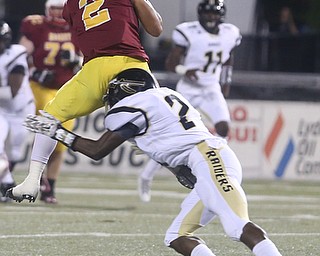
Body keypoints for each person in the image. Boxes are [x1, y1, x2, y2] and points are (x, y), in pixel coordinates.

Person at [16, 68, 282, 256]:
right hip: (206, 160)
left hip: (209, 158)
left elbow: (98, 150)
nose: (109, 99)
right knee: (177, 236)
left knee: (236, 225)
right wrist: (178, 167)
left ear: (127, 90)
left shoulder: (136, 106)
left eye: (112, 93)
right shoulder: (165, 95)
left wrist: (58, 132)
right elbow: (174, 137)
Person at [7, 0, 163, 202]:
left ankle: (32, 179)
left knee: (49, 117)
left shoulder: (71, 5)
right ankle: (181, 163)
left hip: (92, 70)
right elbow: (156, 29)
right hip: (128, 63)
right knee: (154, 117)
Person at [138, 0, 242, 202]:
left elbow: (228, 57)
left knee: (223, 128)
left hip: (211, 87)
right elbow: (171, 63)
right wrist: (186, 70)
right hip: (188, 89)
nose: (212, 17)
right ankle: (146, 176)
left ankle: (215, 172)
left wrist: (225, 80)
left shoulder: (230, 32)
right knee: (174, 137)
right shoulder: (189, 32)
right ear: (201, 14)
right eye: (209, 13)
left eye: (215, 14)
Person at [19, 0, 82, 204]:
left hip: (66, 89)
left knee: (61, 141)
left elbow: (91, 57)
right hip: (41, 88)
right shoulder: (36, 26)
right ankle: (36, 179)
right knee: (49, 130)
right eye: (53, 8)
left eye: (59, 7)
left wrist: (76, 60)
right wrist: (34, 71)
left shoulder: (79, 25)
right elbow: (20, 55)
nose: (57, 12)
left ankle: (50, 186)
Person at [0, 21, 35, 202]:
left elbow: (11, 93)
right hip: (0, 109)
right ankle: (5, 185)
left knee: (14, 154)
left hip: (20, 109)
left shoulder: (14, 56)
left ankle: (6, 183)